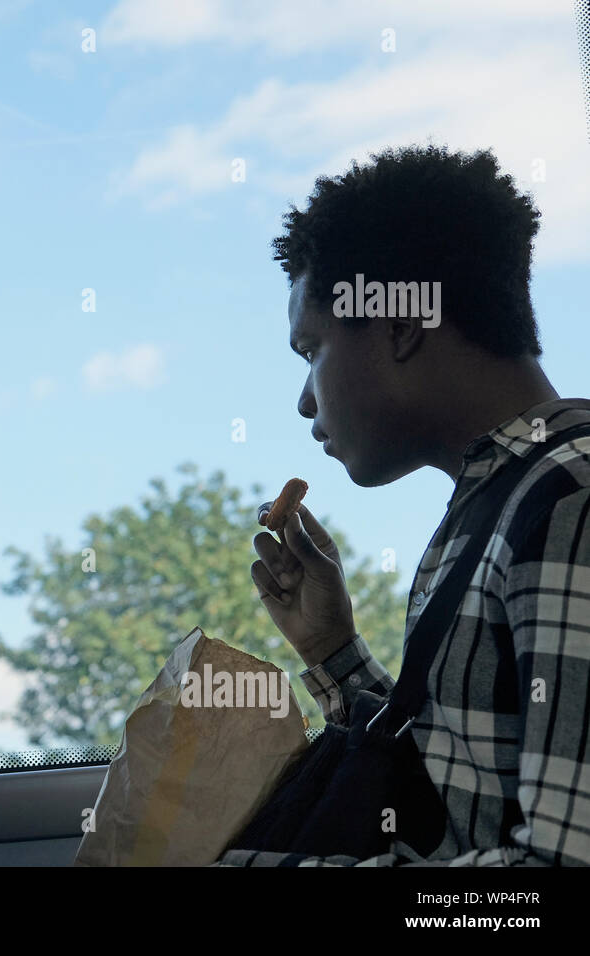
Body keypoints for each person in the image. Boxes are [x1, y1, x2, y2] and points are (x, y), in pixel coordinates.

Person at [228, 145, 590, 866]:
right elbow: (454, 801)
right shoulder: (493, 505)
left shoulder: (567, 507)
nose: (305, 402)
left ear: (398, 325)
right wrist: (332, 651)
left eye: (311, 350)